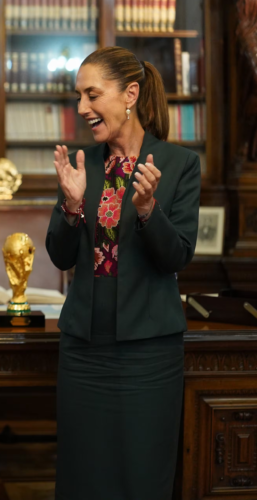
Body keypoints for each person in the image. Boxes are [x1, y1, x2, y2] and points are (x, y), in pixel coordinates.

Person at [47, 46, 200, 500]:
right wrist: (72, 206)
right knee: (82, 478)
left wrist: (149, 209)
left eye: (92, 95)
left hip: (148, 353)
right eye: (79, 96)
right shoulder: (83, 165)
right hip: (83, 350)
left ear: (130, 94)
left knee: (141, 478)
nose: (82, 108)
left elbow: (177, 257)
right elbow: (59, 256)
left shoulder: (178, 164)